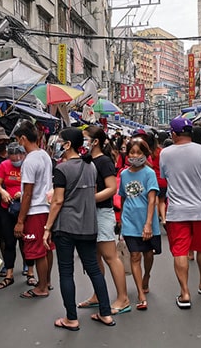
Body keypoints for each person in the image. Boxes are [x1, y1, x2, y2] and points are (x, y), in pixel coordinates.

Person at [44, 128, 116, 330]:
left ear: (67, 145)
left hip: (65, 226)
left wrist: (47, 228)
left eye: (60, 141)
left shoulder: (62, 169)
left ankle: (71, 318)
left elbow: (57, 201)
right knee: (94, 269)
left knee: (66, 272)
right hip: (88, 226)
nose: (57, 144)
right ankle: (105, 313)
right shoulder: (90, 167)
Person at [159, 116, 201, 309]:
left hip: (177, 211)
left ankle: (184, 293)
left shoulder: (165, 154)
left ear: (173, 134)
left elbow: (165, 177)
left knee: (180, 251)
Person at [76, 126, 130, 314]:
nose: (83, 143)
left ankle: (123, 298)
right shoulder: (87, 160)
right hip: (89, 214)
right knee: (94, 257)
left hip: (102, 213)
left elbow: (111, 188)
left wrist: (90, 198)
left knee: (110, 256)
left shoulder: (104, 161)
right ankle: (98, 295)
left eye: (85, 138)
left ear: (95, 141)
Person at [13, 120, 54, 299]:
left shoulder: (29, 161)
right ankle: (46, 281)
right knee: (46, 248)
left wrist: (20, 221)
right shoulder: (44, 155)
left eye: (17, 140)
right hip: (46, 207)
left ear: (23, 139)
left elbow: (28, 193)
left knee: (37, 251)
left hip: (35, 210)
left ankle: (42, 287)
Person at [119, 138, 161, 311]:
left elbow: (152, 200)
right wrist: (121, 220)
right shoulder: (123, 174)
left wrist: (148, 224)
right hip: (129, 221)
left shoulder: (149, 174)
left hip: (148, 221)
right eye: (132, 152)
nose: (135, 156)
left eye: (139, 152)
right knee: (135, 256)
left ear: (145, 154)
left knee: (148, 255)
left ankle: (147, 276)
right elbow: (123, 197)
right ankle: (140, 294)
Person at [0, 142, 27, 289]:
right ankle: (9, 273)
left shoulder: (27, 165)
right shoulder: (4, 165)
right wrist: (3, 192)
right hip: (7, 208)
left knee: (25, 240)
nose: (17, 159)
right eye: (13, 158)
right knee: (9, 241)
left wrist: (22, 193)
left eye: (19, 156)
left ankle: (28, 266)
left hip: (24, 207)